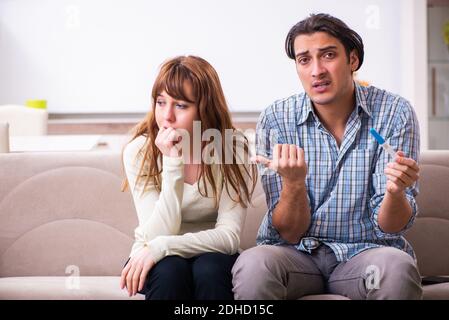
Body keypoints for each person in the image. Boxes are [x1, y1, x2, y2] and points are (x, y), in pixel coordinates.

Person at [232, 13, 422, 300]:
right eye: (304, 59)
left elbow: (390, 226)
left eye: (328, 55)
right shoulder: (277, 119)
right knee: (254, 264)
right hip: (295, 260)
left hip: (363, 260)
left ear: (353, 60)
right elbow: (289, 232)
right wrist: (294, 184)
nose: (316, 70)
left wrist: (395, 193)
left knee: (396, 268)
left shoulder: (394, 113)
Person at [120, 55, 257, 300]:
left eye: (181, 105)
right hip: (156, 255)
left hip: (209, 254)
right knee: (170, 270)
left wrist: (163, 247)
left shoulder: (232, 147)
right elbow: (156, 234)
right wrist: (173, 162)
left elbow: (228, 236)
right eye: (161, 102)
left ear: (205, 109)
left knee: (210, 269)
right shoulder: (139, 151)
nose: (167, 116)